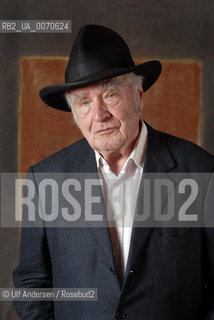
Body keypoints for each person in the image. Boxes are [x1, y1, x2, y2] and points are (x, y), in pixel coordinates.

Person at [13, 24, 214, 320]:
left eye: (110, 95)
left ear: (139, 95)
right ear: (75, 116)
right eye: (84, 102)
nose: (99, 115)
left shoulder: (201, 171)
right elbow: (31, 286)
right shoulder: (46, 180)